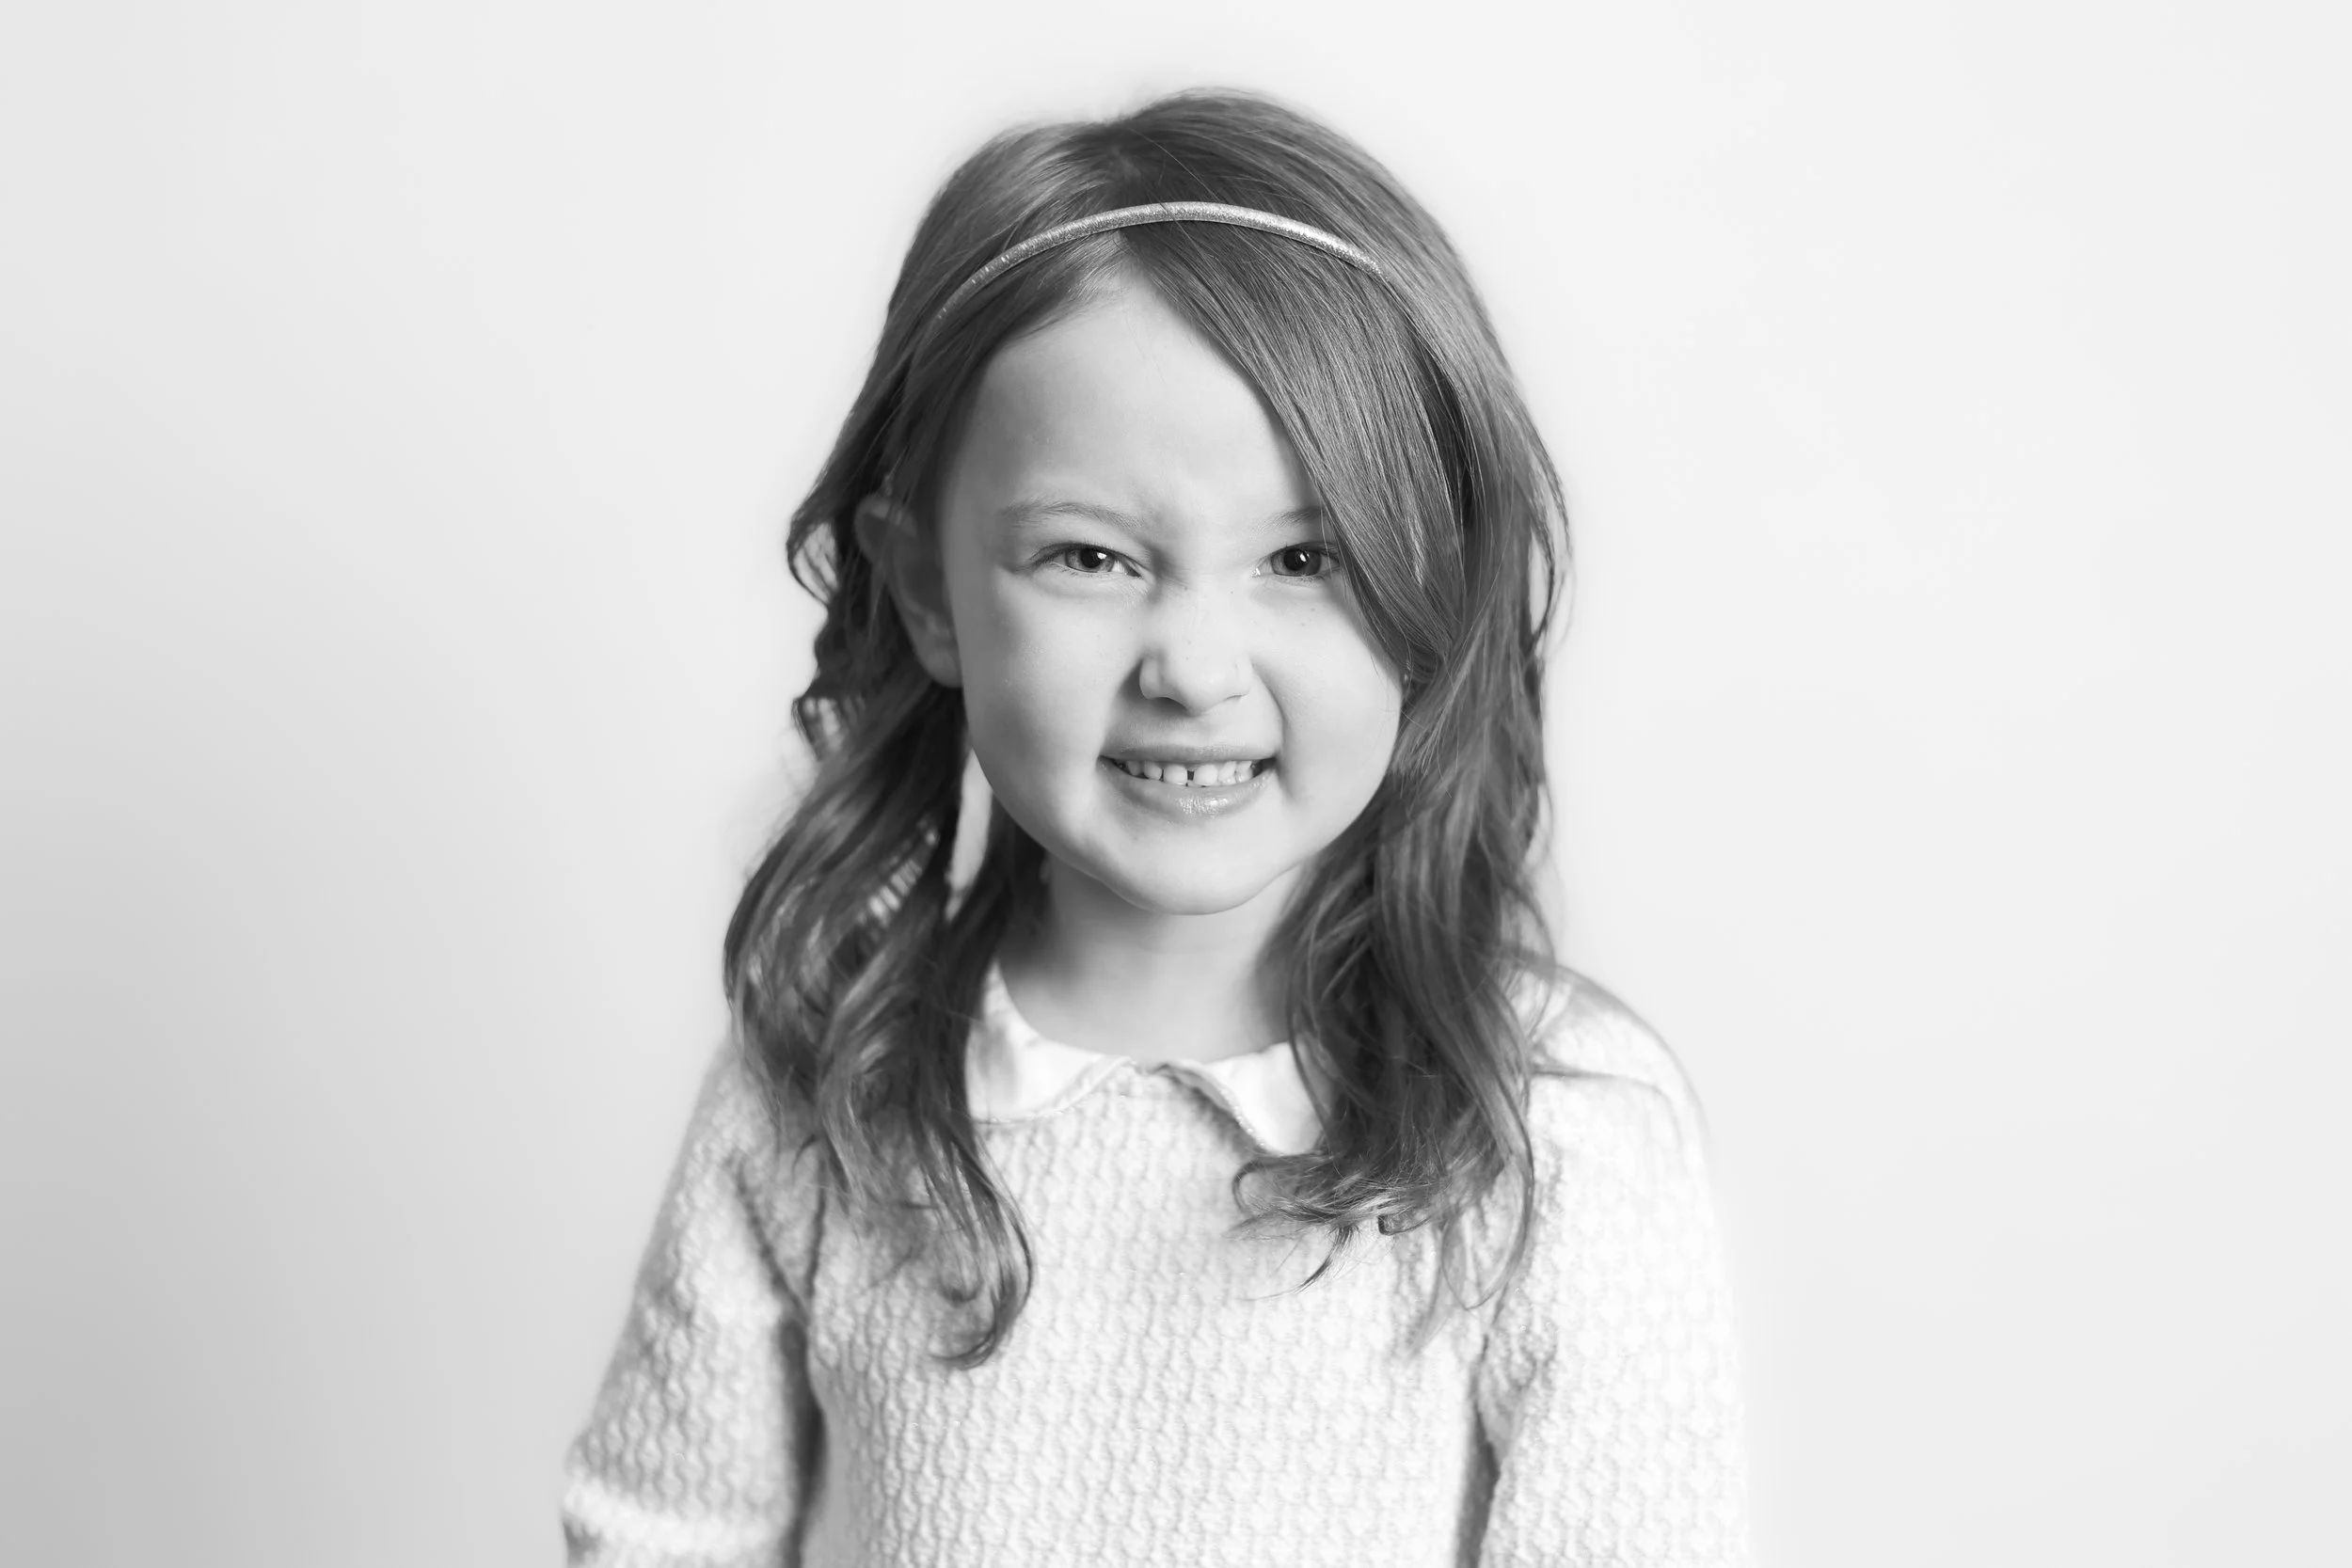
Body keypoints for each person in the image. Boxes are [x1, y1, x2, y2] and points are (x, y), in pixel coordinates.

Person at [560, 88, 1750, 1567]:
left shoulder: (1559, 1132)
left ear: (1429, 592)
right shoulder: (822, 1077)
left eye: (1302, 555)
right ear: (928, 591)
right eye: (1091, 553)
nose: (1191, 664)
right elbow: (663, 1532)